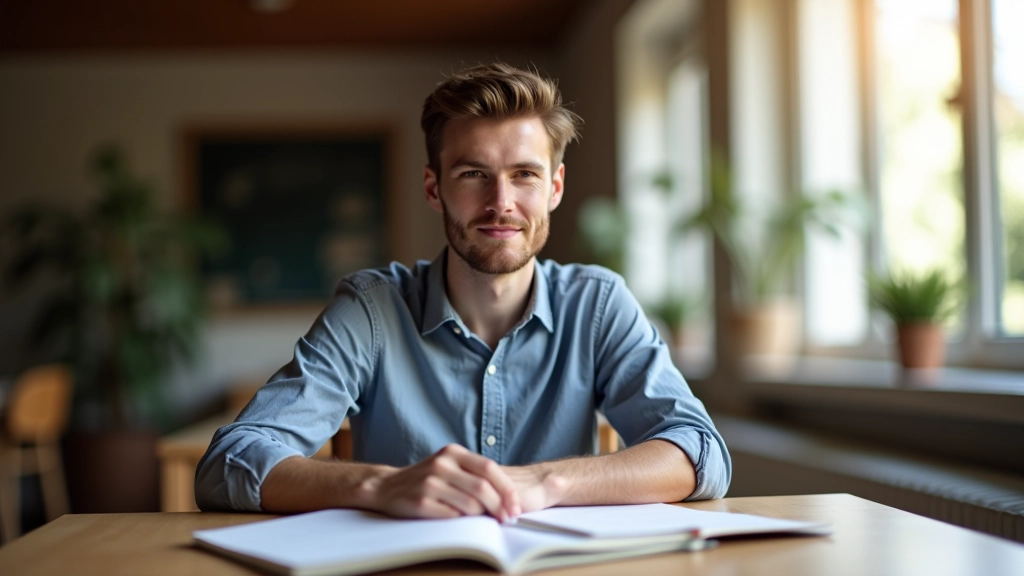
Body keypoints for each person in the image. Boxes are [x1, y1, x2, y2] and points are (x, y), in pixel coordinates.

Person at [195, 62, 730, 521]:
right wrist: (381, 487)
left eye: (524, 174)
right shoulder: (372, 309)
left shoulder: (597, 304)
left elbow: (700, 452)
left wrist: (543, 483)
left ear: (555, 188)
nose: (501, 202)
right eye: (474, 174)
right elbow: (229, 462)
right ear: (435, 188)